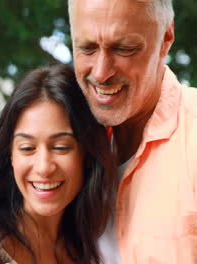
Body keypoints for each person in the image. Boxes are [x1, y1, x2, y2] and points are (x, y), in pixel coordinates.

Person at [0, 64, 116, 263]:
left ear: (87, 154)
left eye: (61, 147)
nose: (43, 167)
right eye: (27, 148)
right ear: (10, 154)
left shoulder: (98, 247)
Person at [68, 0, 197, 263]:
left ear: (166, 38)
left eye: (124, 49)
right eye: (87, 48)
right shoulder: (67, 136)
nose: (102, 73)